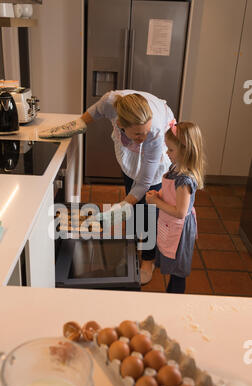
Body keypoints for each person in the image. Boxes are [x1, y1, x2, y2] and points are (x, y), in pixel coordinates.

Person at [80, 90, 175, 285]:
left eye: (145, 131)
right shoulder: (110, 102)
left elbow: (145, 180)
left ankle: (148, 260)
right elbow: (92, 114)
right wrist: (72, 129)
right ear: (120, 125)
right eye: (139, 133)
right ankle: (131, 249)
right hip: (129, 149)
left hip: (154, 159)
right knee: (132, 203)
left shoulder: (154, 132)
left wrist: (120, 206)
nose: (144, 135)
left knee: (147, 208)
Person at [146, 121, 205, 294]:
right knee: (174, 270)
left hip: (179, 231)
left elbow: (180, 212)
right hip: (170, 225)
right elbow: (170, 194)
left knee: (178, 272)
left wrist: (157, 203)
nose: (167, 152)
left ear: (185, 151)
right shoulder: (175, 169)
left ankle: (175, 298)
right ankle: (170, 295)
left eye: (171, 150)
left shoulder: (184, 180)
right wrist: (159, 195)